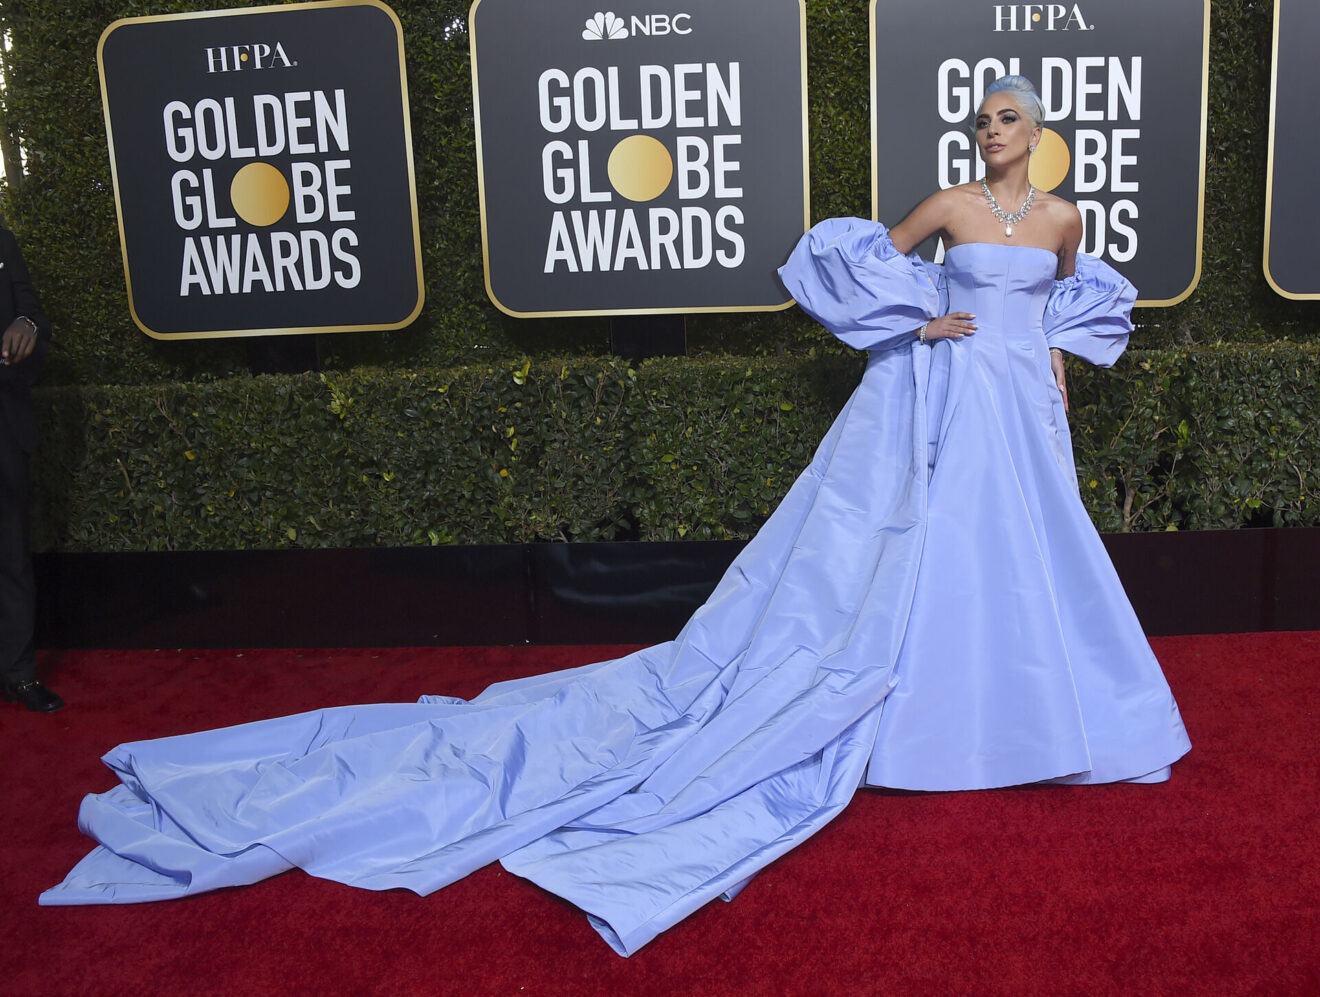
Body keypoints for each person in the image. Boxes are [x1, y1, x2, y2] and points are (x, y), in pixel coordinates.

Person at [41, 77, 1187, 953]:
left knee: (1027, 562)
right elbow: (856, 266)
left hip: (1024, 416)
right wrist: (920, 323)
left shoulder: (1063, 219)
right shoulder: (947, 204)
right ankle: (922, 721)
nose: (986, 131)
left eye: (1002, 120)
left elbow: (1069, 314)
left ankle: (1032, 717)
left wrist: (1054, 391)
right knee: (927, 564)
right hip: (948, 405)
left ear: (1034, 131)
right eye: (979, 119)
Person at [1, 225, 62, 713]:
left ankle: (20, 676)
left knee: (11, 557)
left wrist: (27, 325)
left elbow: (36, 320)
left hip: (4, 426)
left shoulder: (2, 241)